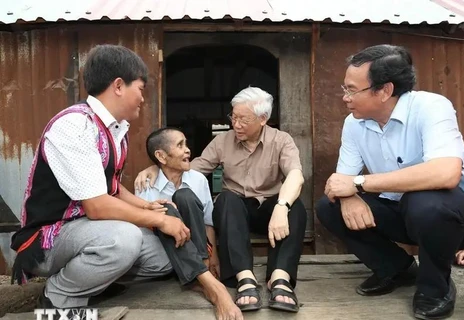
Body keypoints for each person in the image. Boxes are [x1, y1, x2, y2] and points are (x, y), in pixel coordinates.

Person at [10, 44, 242, 320]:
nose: (143, 98)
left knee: (168, 253)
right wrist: (157, 220)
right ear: (119, 85)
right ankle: (58, 299)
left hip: (88, 231)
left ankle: (96, 284)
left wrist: (147, 208)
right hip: (51, 237)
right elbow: (97, 205)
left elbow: (111, 187)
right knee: (124, 239)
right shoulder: (75, 126)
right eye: (141, 89)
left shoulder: (115, 129)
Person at [315, 44, 464, 320]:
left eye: (351, 90)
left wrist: (357, 184)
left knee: (425, 201)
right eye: (345, 89)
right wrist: (348, 195)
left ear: (384, 91)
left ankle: (434, 289)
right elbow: (342, 181)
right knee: (328, 207)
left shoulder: (431, 107)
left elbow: (446, 173)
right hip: (404, 215)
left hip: (460, 219)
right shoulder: (354, 124)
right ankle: (397, 268)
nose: (345, 97)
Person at [135, 87, 307, 313]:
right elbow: (190, 168)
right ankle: (245, 279)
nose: (235, 124)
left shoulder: (281, 140)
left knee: (296, 207)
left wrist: (282, 208)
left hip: (270, 209)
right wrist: (158, 166)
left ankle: (280, 279)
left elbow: (296, 175)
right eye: (233, 117)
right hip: (236, 214)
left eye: (243, 119)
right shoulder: (223, 141)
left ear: (263, 119)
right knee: (226, 200)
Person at [136, 127, 220, 280]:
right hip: (167, 252)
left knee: (184, 196)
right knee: (165, 208)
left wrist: (214, 259)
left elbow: (207, 224)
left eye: (186, 145)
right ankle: (198, 272)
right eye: (180, 145)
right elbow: (143, 230)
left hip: (200, 249)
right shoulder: (145, 184)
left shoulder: (198, 180)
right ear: (161, 156)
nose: (187, 150)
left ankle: (203, 265)